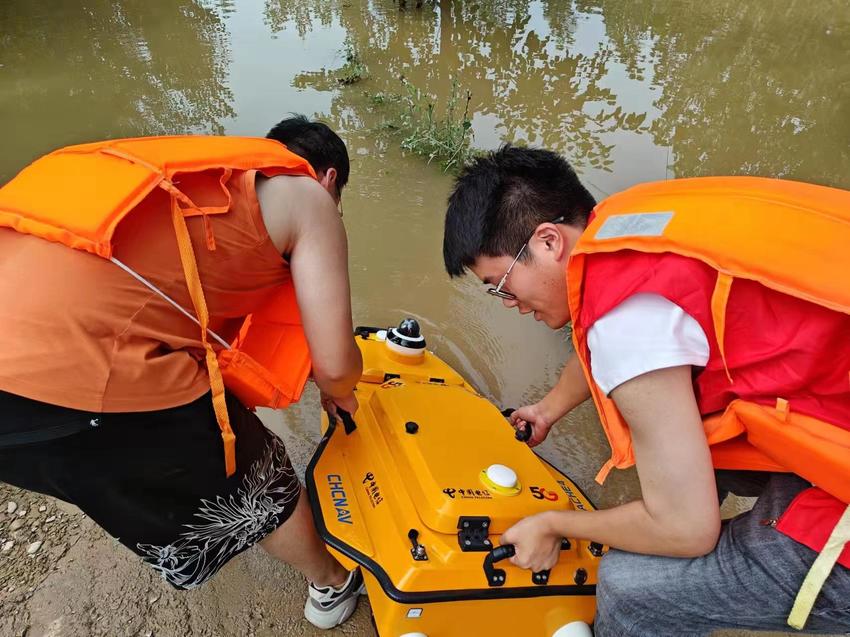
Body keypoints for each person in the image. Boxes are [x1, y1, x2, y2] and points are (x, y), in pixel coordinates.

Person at [442, 145, 850, 636]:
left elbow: (687, 530)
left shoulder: (624, 328)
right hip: (831, 407)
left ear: (549, 241)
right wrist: (548, 410)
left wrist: (553, 524)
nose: (508, 303)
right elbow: (618, 328)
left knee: (633, 585)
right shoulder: (628, 224)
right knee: (684, 465)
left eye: (501, 285)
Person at [0, 116, 365, 629]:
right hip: (82, 370)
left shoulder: (196, 179)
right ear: (328, 178)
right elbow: (335, 366)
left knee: (93, 461)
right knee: (262, 476)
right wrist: (340, 388)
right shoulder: (308, 196)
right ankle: (333, 584)